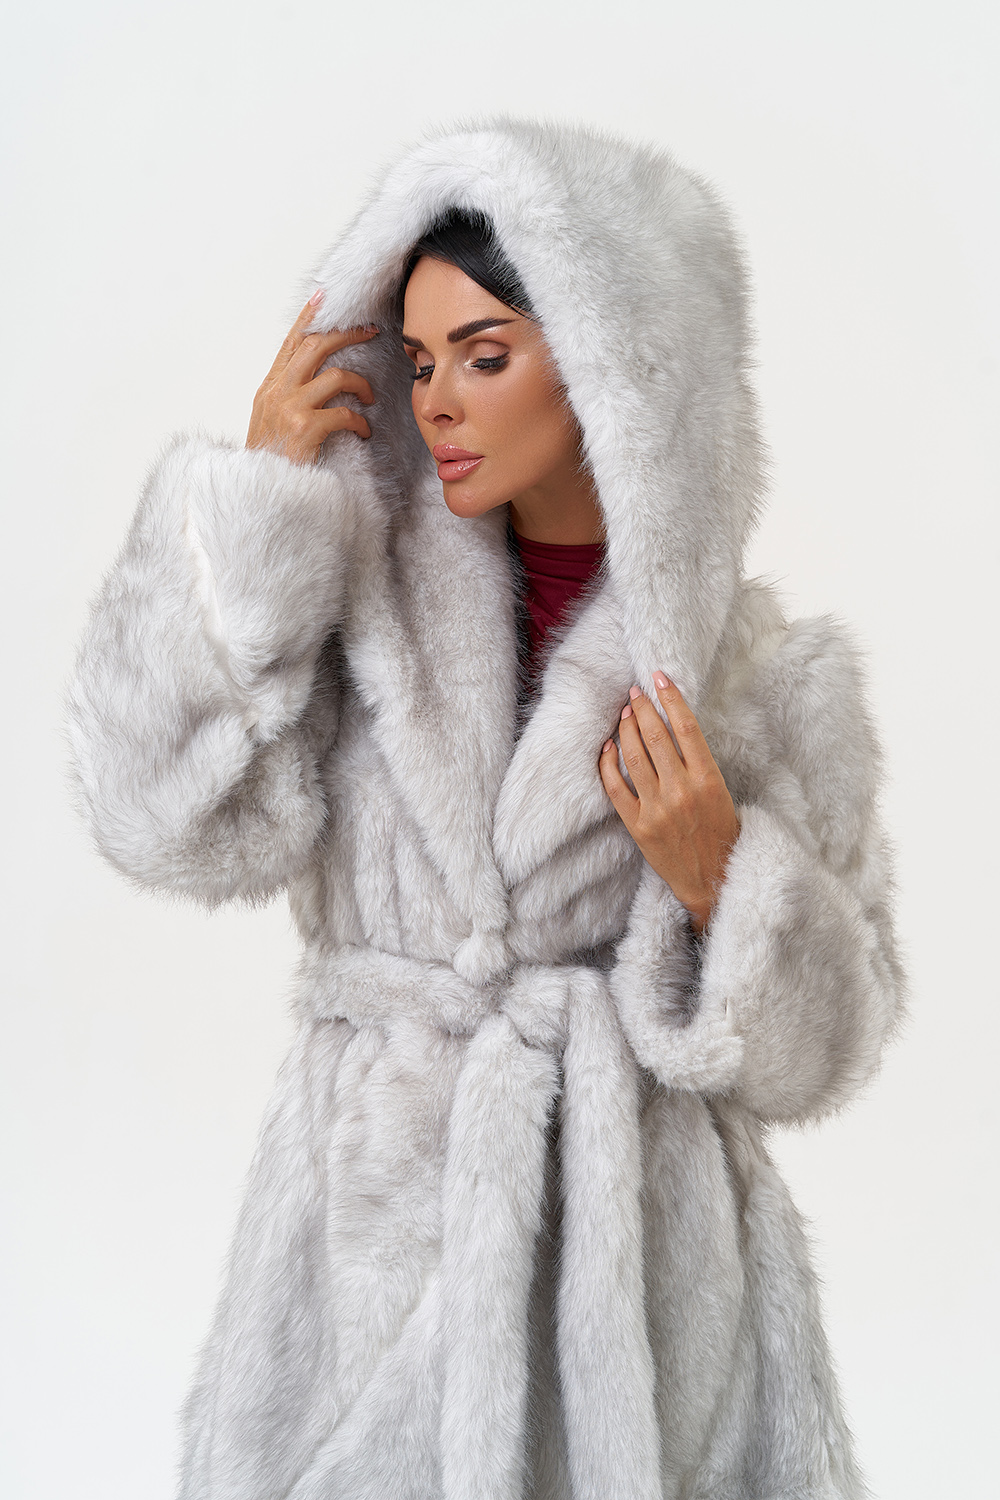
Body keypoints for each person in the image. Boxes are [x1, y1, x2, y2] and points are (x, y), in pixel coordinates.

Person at [67, 117, 905, 1500]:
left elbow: (826, 1052)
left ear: (614, 372)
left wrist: (725, 878)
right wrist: (257, 511)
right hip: (370, 1247)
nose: (438, 401)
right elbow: (157, 816)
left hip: (644, 1302)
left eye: (485, 354)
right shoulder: (355, 623)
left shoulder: (767, 688)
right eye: (417, 362)